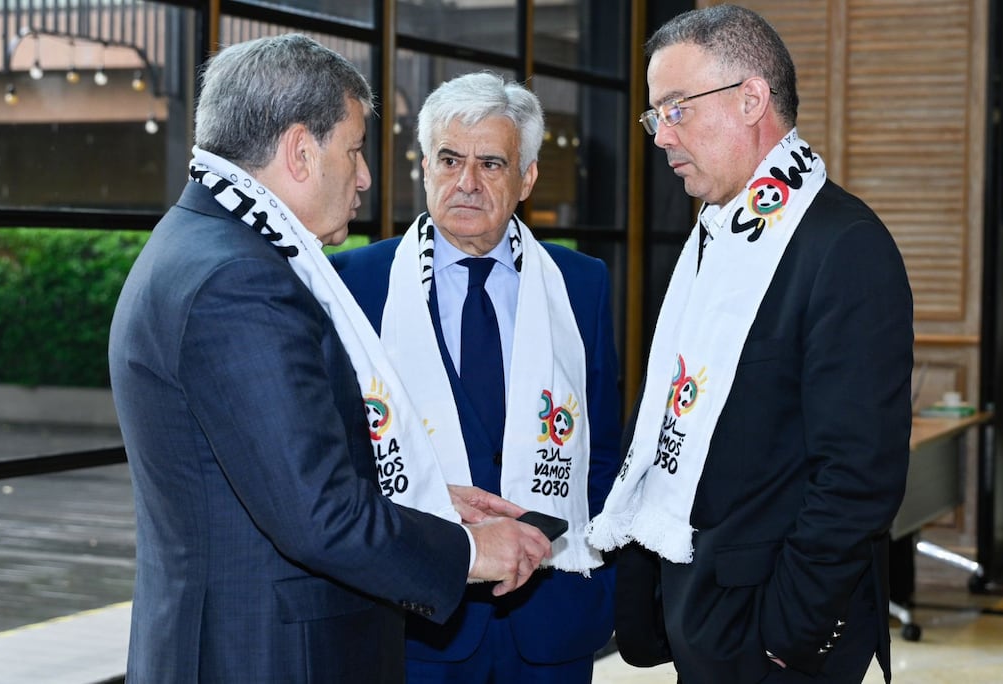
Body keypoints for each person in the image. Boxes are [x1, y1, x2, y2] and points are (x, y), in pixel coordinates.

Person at [108, 35, 552, 683]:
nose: (365, 176)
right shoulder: (239, 280)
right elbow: (318, 516)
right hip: (268, 655)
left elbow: (277, 473)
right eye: (354, 150)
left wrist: (421, 500)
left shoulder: (197, 242)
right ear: (298, 150)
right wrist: (464, 549)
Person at [587, 5, 913, 684]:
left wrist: (788, 637)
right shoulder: (720, 233)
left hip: (774, 635)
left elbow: (857, 476)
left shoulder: (843, 246)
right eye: (655, 115)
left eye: (676, 109)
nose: (659, 135)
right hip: (705, 614)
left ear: (751, 98)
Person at [332, 71, 622, 683]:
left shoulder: (581, 283)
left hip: (552, 616)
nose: (466, 182)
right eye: (449, 159)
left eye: (491, 163)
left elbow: (601, 448)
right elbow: (335, 455)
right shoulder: (355, 284)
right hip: (416, 618)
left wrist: (599, 575)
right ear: (425, 168)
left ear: (528, 177)